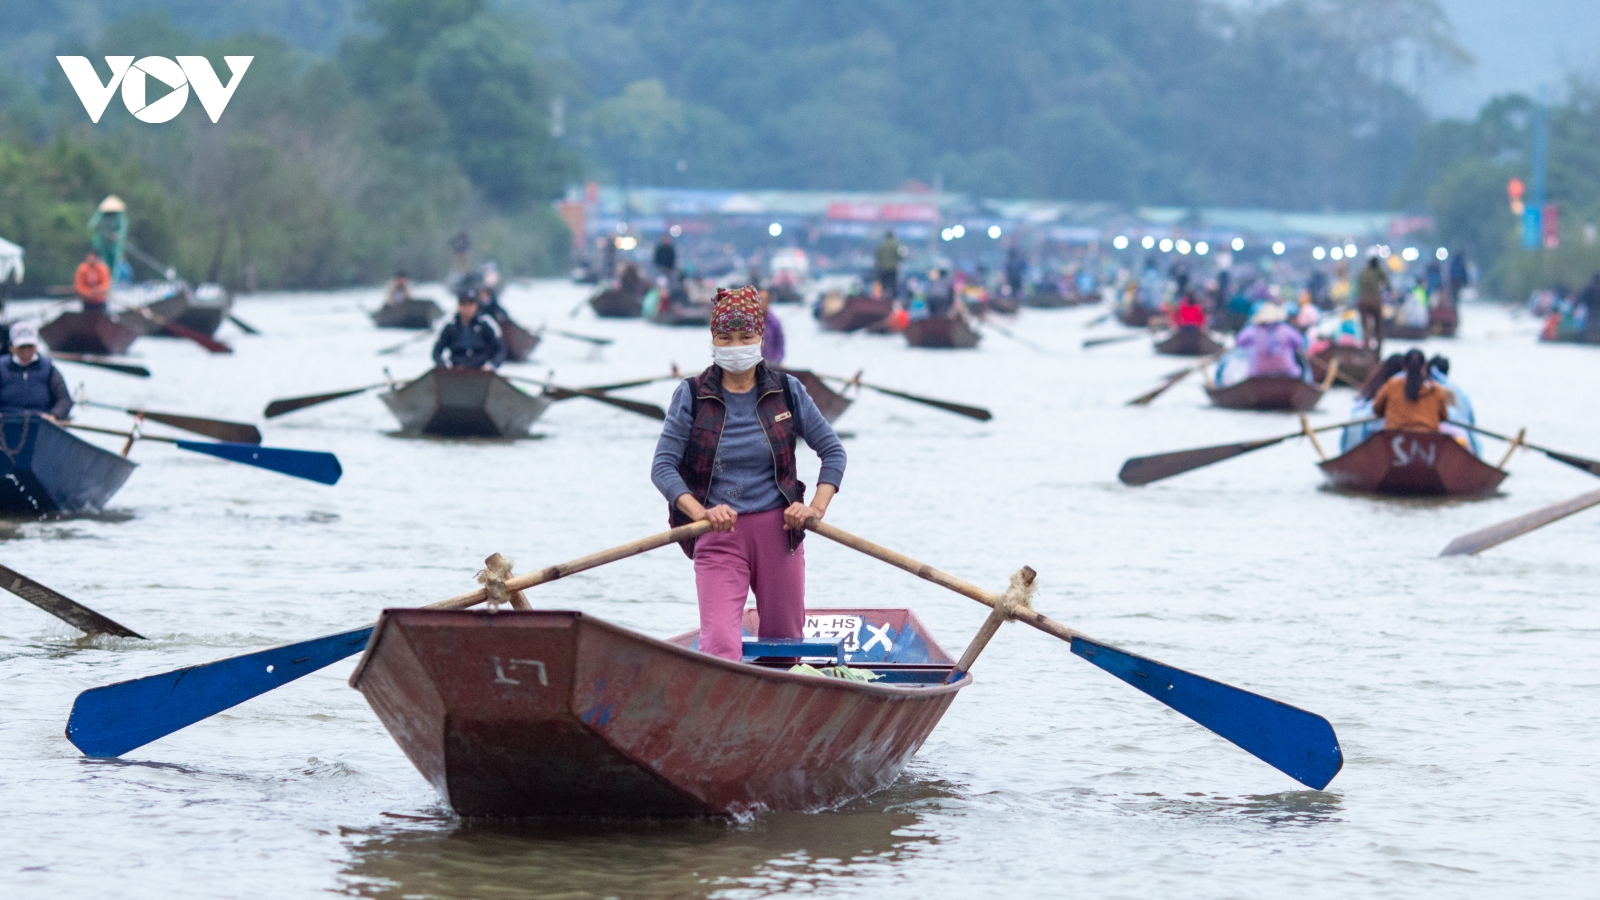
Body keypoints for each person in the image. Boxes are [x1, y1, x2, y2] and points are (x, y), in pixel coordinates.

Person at [651, 286, 846, 662]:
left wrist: (814, 510)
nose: (735, 345)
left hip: (781, 533)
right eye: (726, 337)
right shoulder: (691, 395)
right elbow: (662, 467)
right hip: (717, 533)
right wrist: (701, 513)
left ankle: (778, 713)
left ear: (760, 337)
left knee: (785, 647)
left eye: (745, 337)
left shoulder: (787, 391)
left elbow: (833, 452)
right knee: (722, 648)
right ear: (713, 339)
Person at [0, 323, 72, 421]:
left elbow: (64, 400)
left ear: (36, 345)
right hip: (5, 424)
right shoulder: (2, 367)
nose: (26, 352)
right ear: (11, 347)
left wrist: (53, 416)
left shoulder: (49, 368)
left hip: (40, 424)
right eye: (21, 347)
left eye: (30, 346)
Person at [1371, 349, 1450, 433]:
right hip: (1428, 438)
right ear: (1425, 365)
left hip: (1392, 436)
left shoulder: (1391, 386)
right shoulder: (1435, 390)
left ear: (1403, 366)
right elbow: (1443, 416)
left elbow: (1377, 408)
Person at [432, 291, 505, 370]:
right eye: (464, 304)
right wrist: (445, 366)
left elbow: (500, 349)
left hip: (481, 372)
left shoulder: (485, 324)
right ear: (458, 306)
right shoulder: (450, 327)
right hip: (456, 372)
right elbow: (436, 352)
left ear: (476, 306)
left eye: (470, 304)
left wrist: (492, 365)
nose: (467, 308)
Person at [1234, 303, 1305, 378]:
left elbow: (1239, 341)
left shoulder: (1253, 331)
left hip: (1257, 375)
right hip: (1287, 374)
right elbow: (1299, 342)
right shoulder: (1286, 330)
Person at [1356, 257, 1389, 353]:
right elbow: (1386, 282)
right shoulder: (1378, 271)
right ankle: (1378, 350)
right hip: (1375, 301)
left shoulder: (1363, 272)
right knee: (1378, 326)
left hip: (1362, 301)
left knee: (1365, 326)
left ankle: (1367, 349)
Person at [874, 230, 902, 297]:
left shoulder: (881, 246)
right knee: (892, 287)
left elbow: (877, 258)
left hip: (882, 270)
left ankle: (882, 300)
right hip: (892, 269)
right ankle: (891, 300)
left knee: (883, 286)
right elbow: (901, 255)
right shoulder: (896, 245)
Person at [761, 292, 785, 365]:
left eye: (763, 300)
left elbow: (780, 343)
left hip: (771, 362)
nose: (761, 303)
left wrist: (776, 360)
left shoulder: (774, 321)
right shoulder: (748, 320)